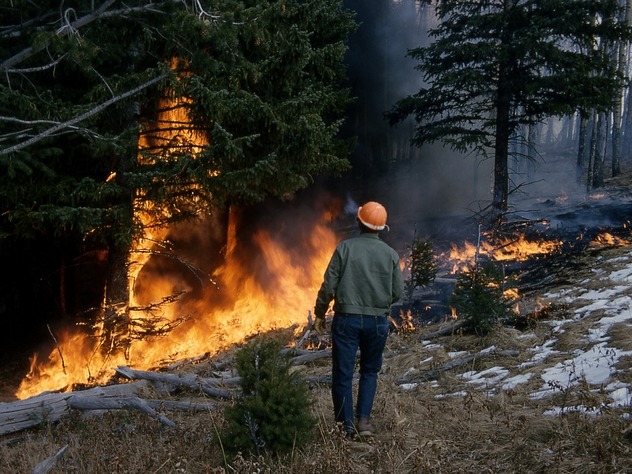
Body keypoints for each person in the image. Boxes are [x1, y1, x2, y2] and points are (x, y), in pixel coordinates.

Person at [313, 201, 404, 438]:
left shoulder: (345, 248)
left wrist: (320, 314)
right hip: (377, 323)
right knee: (369, 372)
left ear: (359, 222)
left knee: (343, 373)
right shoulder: (391, 254)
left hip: (346, 321)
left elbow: (329, 285)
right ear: (382, 228)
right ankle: (364, 422)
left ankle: (346, 427)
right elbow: (397, 292)